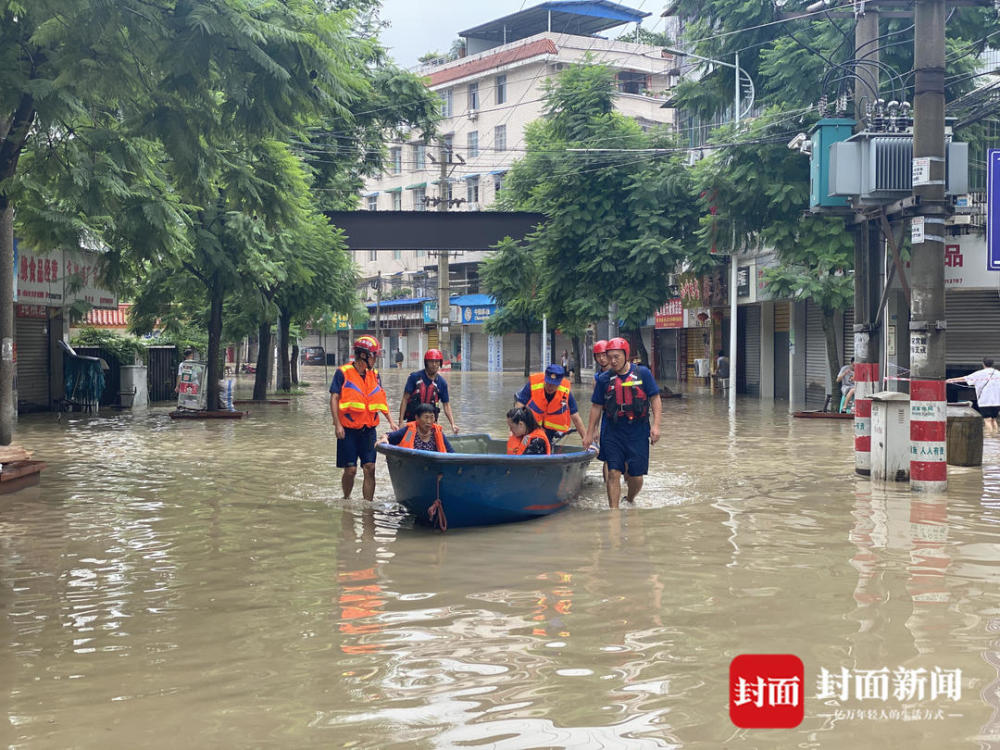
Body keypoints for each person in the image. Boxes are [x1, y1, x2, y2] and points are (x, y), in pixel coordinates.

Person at [582, 337, 662, 509]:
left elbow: (655, 398)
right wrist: (590, 432)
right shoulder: (604, 379)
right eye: (609, 356)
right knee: (613, 472)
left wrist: (656, 426)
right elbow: (596, 407)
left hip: (638, 430)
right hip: (613, 430)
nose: (612, 361)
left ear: (626, 355)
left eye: (616, 356)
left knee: (636, 476)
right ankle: (614, 513)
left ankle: (631, 498)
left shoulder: (643, 374)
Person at [329, 335, 397, 502]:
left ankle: (368, 507)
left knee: (370, 467)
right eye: (374, 355)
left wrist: (391, 421)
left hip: (368, 431)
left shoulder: (375, 375)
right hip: (348, 430)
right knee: (350, 470)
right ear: (364, 355)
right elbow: (334, 398)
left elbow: (379, 399)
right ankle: (346, 498)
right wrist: (337, 424)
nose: (376, 359)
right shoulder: (343, 373)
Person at [514, 364, 587, 443]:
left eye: (554, 384)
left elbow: (576, 417)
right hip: (531, 426)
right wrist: (514, 429)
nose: (550, 387)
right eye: (548, 383)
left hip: (549, 429)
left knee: (544, 445)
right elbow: (519, 405)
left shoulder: (565, 392)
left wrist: (586, 439)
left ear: (560, 383)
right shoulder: (533, 384)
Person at [399, 349, 459, 433]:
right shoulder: (414, 378)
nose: (434, 365)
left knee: (436, 441)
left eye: (437, 362)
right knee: (408, 441)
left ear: (440, 363)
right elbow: (405, 399)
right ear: (426, 363)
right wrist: (401, 422)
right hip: (412, 423)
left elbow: (446, 405)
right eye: (431, 361)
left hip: (430, 425)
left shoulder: (442, 383)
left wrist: (452, 424)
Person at [948, 357, 1000, 435]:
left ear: (983, 364)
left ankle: (990, 436)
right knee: (994, 419)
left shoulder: (979, 373)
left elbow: (965, 379)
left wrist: (950, 380)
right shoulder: (998, 373)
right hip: (997, 401)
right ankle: (996, 436)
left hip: (985, 401)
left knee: (987, 420)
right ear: (993, 364)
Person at [381, 403, 455, 452]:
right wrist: (384, 438)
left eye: (432, 417)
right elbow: (388, 436)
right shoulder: (410, 432)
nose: (429, 421)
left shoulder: (437, 432)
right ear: (417, 418)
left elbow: (451, 453)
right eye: (426, 417)